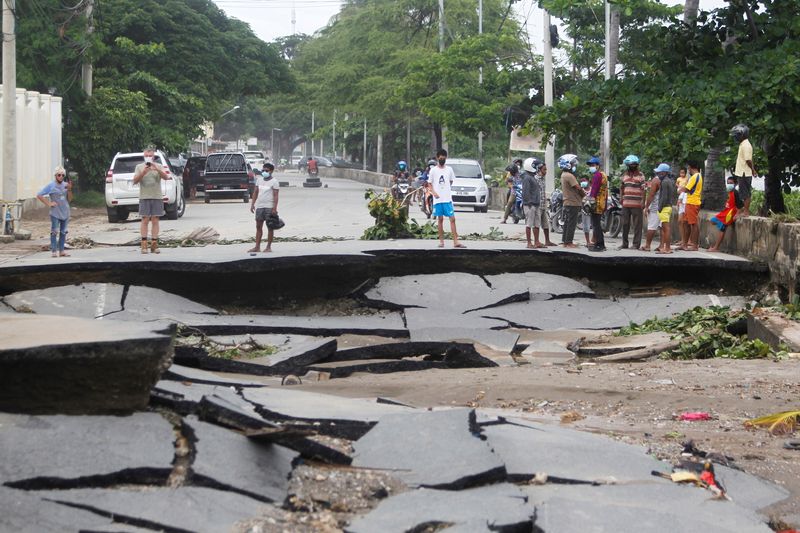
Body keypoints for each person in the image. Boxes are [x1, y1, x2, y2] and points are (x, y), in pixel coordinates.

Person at [133, 147, 169, 254]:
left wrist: (156, 169)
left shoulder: (159, 166)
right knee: (144, 220)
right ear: (144, 156)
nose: (148, 157)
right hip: (144, 196)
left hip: (157, 196)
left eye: (150, 156)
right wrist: (143, 172)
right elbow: (134, 181)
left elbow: (166, 177)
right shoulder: (139, 167)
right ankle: (144, 244)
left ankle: (154, 244)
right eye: (146, 156)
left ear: (153, 157)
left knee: (155, 220)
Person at [429, 148, 465, 248]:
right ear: (437, 158)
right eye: (440, 158)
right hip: (438, 199)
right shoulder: (433, 170)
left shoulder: (449, 170)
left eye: (444, 158)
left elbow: (450, 181)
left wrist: (445, 189)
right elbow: (429, 184)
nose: (442, 160)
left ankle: (455, 242)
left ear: (446, 158)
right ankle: (441, 241)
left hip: (447, 198)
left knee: (452, 219)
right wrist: (434, 192)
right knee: (440, 219)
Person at [36, 165, 72, 258]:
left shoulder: (65, 185)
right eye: (59, 175)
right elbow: (39, 195)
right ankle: (54, 251)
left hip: (65, 211)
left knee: (63, 232)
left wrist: (69, 189)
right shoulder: (51, 185)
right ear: (55, 175)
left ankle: (62, 251)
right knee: (54, 231)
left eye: (62, 175)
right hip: (55, 212)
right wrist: (49, 203)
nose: (60, 177)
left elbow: (70, 199)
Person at [248, 163, 280, 253]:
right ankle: (257, 247)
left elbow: (276, 196)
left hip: (269, 207)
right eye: (263, 170)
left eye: (267, 171)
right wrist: (252, 204)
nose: (264, 172)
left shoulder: (274, 182)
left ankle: (268, 247)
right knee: (258, 227)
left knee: (270, 227)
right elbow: (255, 192)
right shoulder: (259, 180)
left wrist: (274, 208)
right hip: (260, 207)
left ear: (271, 171)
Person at [708, 176, 742, 252]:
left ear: (735, 184)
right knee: (712, 221)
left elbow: (740, 205)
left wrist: (737, 214)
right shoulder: (729, 192)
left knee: (722, 228)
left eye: (731, 183)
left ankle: (716, 247)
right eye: (728, 183)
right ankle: (715, 246)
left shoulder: (736, 193)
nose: (729, 184)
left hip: (730, 213)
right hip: (725, 211)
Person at [557, 154, 584, 248]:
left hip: (567, 201)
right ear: (567, 164)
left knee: (567, 222)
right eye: (572, 164)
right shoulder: (569, 176)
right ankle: (569, 242)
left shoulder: (563, 175)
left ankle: (565, 241)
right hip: (573, 202)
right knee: (572, 223)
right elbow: (578, 187)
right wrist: (584, 194)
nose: (574, 165)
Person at [522, 157, 549, 248]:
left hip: (536, 204)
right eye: (536, 166)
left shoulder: (532, 177)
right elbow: (526, 192)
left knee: (537, 224)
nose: (537, 168)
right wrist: (529, 203)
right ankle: (529, 243)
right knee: (529, 224)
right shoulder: (527, 178)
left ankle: (537, 242)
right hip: (530, 205)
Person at [619, 154, 646, 249]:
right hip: (626, 203)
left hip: (637, 204)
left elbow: (644, 189)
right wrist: (621, 197)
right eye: (631, 164)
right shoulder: (624, 175)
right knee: (625, 224)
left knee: (637, 225)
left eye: (635, 164)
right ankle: (624, 243)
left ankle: (636, 244)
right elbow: (621, 187)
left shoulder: (641, 175)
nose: (633, 166)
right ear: (628, 165)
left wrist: (643, 201)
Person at [731, 124, 757, 217]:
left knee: (746, 193)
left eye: (737, 135)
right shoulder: (743, 144)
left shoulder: (746, 145)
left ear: (742, 135)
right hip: (741, 172)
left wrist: (753, 170)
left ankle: (746, 212)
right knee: (742, 192)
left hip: (744, 173)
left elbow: (748, 160)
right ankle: (743, 210)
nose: (736, 137)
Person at [679, 160, 703, 251]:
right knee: (685, 223)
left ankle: (695, 245)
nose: (688, 169)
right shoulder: (697, 176)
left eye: (688, 167)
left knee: (693, 224)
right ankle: (684, 244)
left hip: (693, 202)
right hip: (690, 201)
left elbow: (687, 189)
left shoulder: (695, 177)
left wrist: (681, 188)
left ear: (690, 167)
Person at [654, 164, 677, 254]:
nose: (658, 173)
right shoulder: (669, 181)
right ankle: (667, 248)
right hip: (668, 207)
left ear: (664, 172)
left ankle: (667, 248)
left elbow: (664, 197)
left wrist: (659, 208)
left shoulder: (664, 182)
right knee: (666, 228)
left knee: (665, 229)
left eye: (660, 172)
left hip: (664, 207)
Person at [587, 156, 608, 252]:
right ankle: (599, 243)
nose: (591, 167)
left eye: (593, 165)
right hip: (602, 202)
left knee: (595, 225)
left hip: (596, 203)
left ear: (598, 166)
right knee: (597, 224)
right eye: (590, 165)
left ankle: (600, 244)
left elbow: (594, 191)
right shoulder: (603, 175)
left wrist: (589, 201)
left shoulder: (597, 175)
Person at [642, 167, 662, 251]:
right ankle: (662, 246)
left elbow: (651, 194)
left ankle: (647, 245)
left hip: (655, 206)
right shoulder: (668, 180)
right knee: (662, 227)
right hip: (664, 206)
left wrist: (646, 206)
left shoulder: (656, 180)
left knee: (651, 226)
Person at [675, 167, 688, 246]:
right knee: (680, 221)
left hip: (685, 200)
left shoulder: (688, 180)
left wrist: (680, 198)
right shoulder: (679, 179)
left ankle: (686, 241)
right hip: (681, 199)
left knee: (685, 222)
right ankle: (683, 240)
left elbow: (685, 190)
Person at [580, 173, 593, 247]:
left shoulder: (593, 189)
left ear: (588, 181)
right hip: (584, 210)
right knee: (586, 226)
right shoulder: (581, 190)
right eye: (581, 181)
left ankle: (593, 240)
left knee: (594, 225)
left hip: (593, 209)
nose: (583, 182)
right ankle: (588, 241)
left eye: (584, 180)